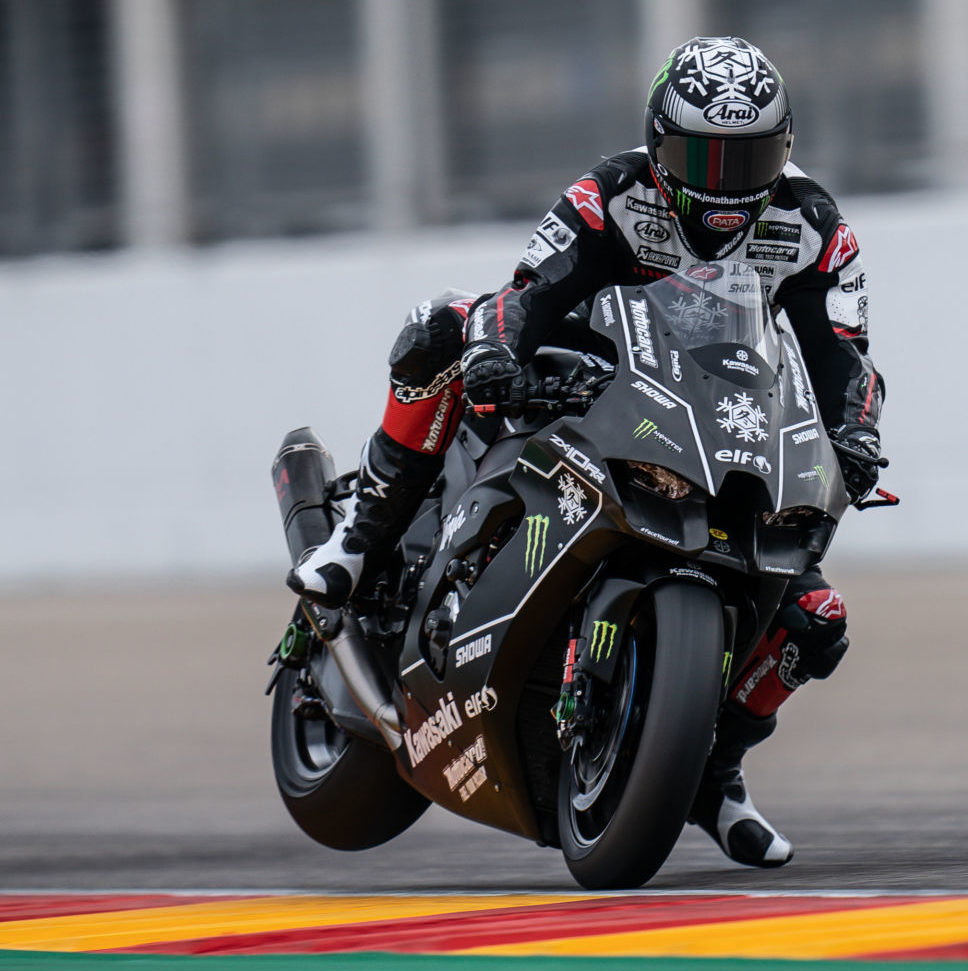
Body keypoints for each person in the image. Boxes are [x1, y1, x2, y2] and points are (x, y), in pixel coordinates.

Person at [289, 36, 885, 868]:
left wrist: (856, 435)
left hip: (716, 415)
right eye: (702, 155)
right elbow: (531, 293)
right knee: (439, 328)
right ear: (659, 141)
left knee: (817, 620)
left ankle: (714, 774)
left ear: (781, 153)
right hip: (589, 373)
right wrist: (500, 355)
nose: (722, 182)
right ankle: (359, 536)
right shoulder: (612, 192)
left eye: (744, 157)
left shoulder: (814, 227)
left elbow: (843, 357)